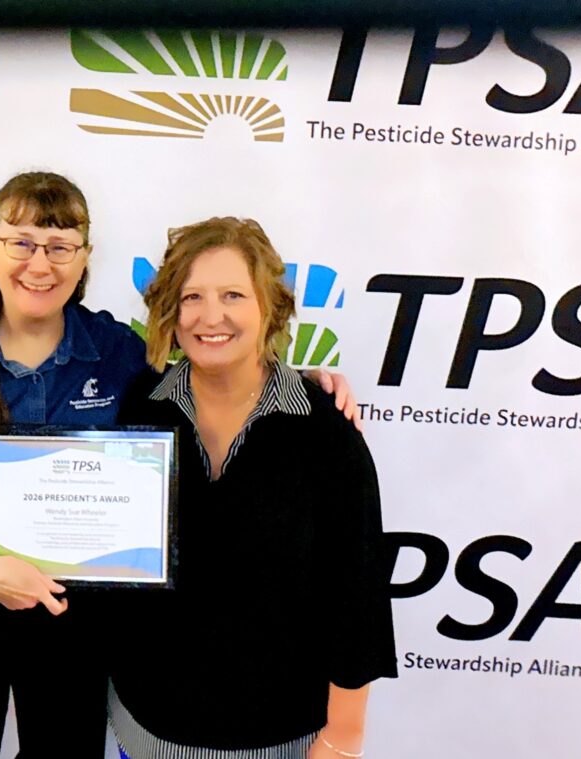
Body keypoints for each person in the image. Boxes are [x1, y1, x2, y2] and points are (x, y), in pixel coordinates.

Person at [0, 173, 359, 759]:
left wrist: (297, 385)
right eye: (21, 242)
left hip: (74, 623)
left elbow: (205, 376)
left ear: (84, 258)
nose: (40, 264)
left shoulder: (118, 353)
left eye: (60, 246)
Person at [110, 217, 397, 759]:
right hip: (144, 728)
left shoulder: (324, 431)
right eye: (191, 296)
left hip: (280, 738)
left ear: (269, 309)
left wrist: (343, 737)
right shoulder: (139, 410)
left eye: (233, 295)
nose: (210, 316)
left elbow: (355, 596)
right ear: (171, 313)